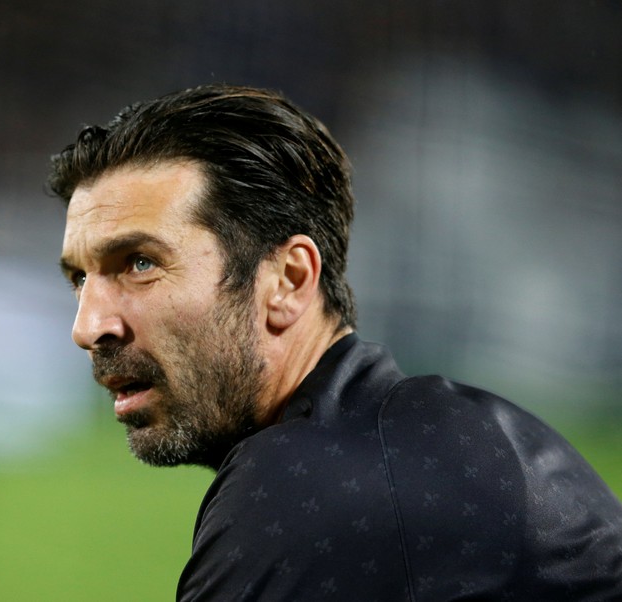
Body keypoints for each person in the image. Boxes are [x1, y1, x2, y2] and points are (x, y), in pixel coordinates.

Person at [49, 84, 622, 601]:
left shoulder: (305, 491)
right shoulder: (477, 431)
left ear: (289, 281)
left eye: (140, 263)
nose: (88, 325)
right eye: (80, 278)